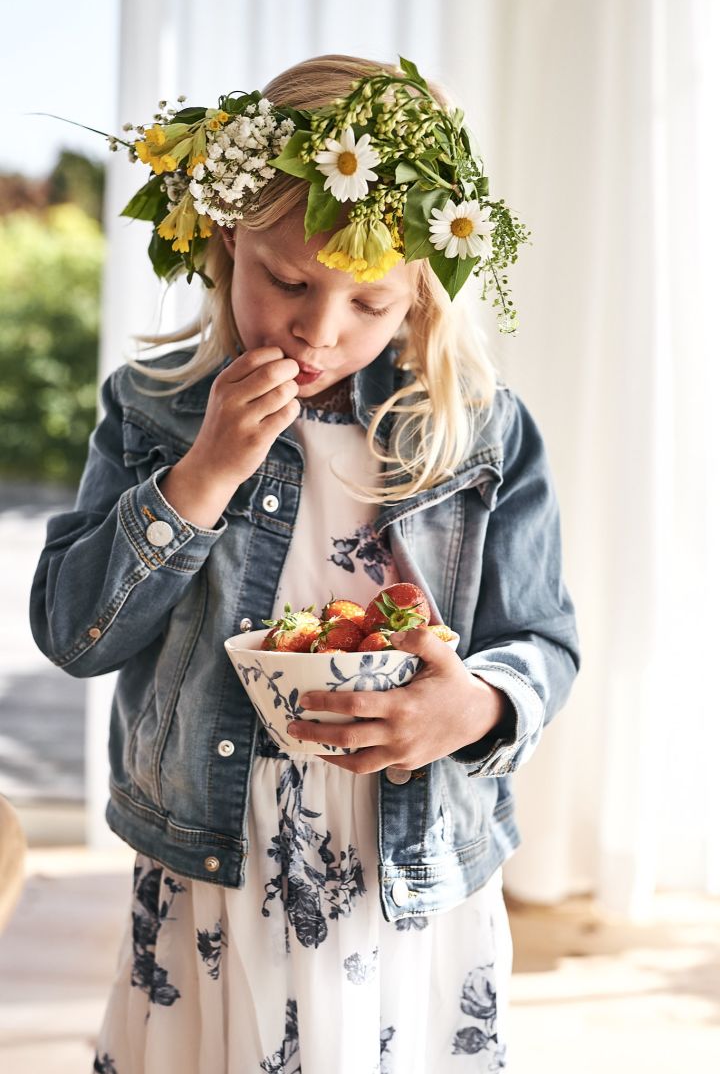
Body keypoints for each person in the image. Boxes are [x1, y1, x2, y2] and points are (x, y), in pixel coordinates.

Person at [30, 54, 579, 1073]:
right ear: (228, 240)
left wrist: (477, 708)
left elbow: (541, 641)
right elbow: (74, 633)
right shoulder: (155, 410)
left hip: (403, 863)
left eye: (369, 305)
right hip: (215, 847)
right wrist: (199, 477)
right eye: (286, 281)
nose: (319, 332)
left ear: (424, 297)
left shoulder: (479, 434)